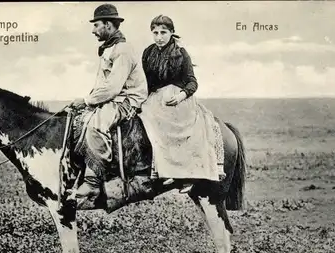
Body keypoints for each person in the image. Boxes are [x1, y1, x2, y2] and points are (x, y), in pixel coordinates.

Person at [139, 14, 225, 193]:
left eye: (163, 32)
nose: (159, 37)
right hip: (156, 97)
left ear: (171, 33)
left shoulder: (181, 53)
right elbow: (146, 82)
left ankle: (188, 175)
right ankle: (162, 169)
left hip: (179, 98)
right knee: (145, 117)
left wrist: (181, 96)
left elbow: (192, 81)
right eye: (155, 33)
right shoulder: (148, 52)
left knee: (189, 129)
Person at [70, 4, 148, 199]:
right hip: (115, 97)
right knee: (80, 120)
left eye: (96, 25)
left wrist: (87, 100)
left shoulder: (122, 49)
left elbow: (113, 88)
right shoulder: (110, 48)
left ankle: (93, 181)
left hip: (126, 100)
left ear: (108, 25)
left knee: (96, 126)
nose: (93, 30)